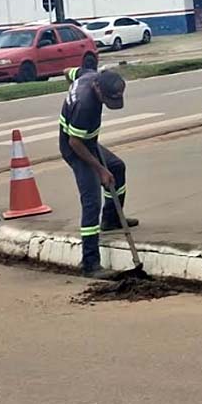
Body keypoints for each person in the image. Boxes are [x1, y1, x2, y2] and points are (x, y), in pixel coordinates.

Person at [59, 68, 137, 279]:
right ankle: (90, 263)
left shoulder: (88, 75)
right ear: (97, 89)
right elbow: (75, 142)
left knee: (118, 168)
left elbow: (68, 72)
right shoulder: (85, 105)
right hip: (75, 148)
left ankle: (111, 219)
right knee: (91, 200)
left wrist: (69, 92)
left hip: (89, 142)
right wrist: (100, 169)